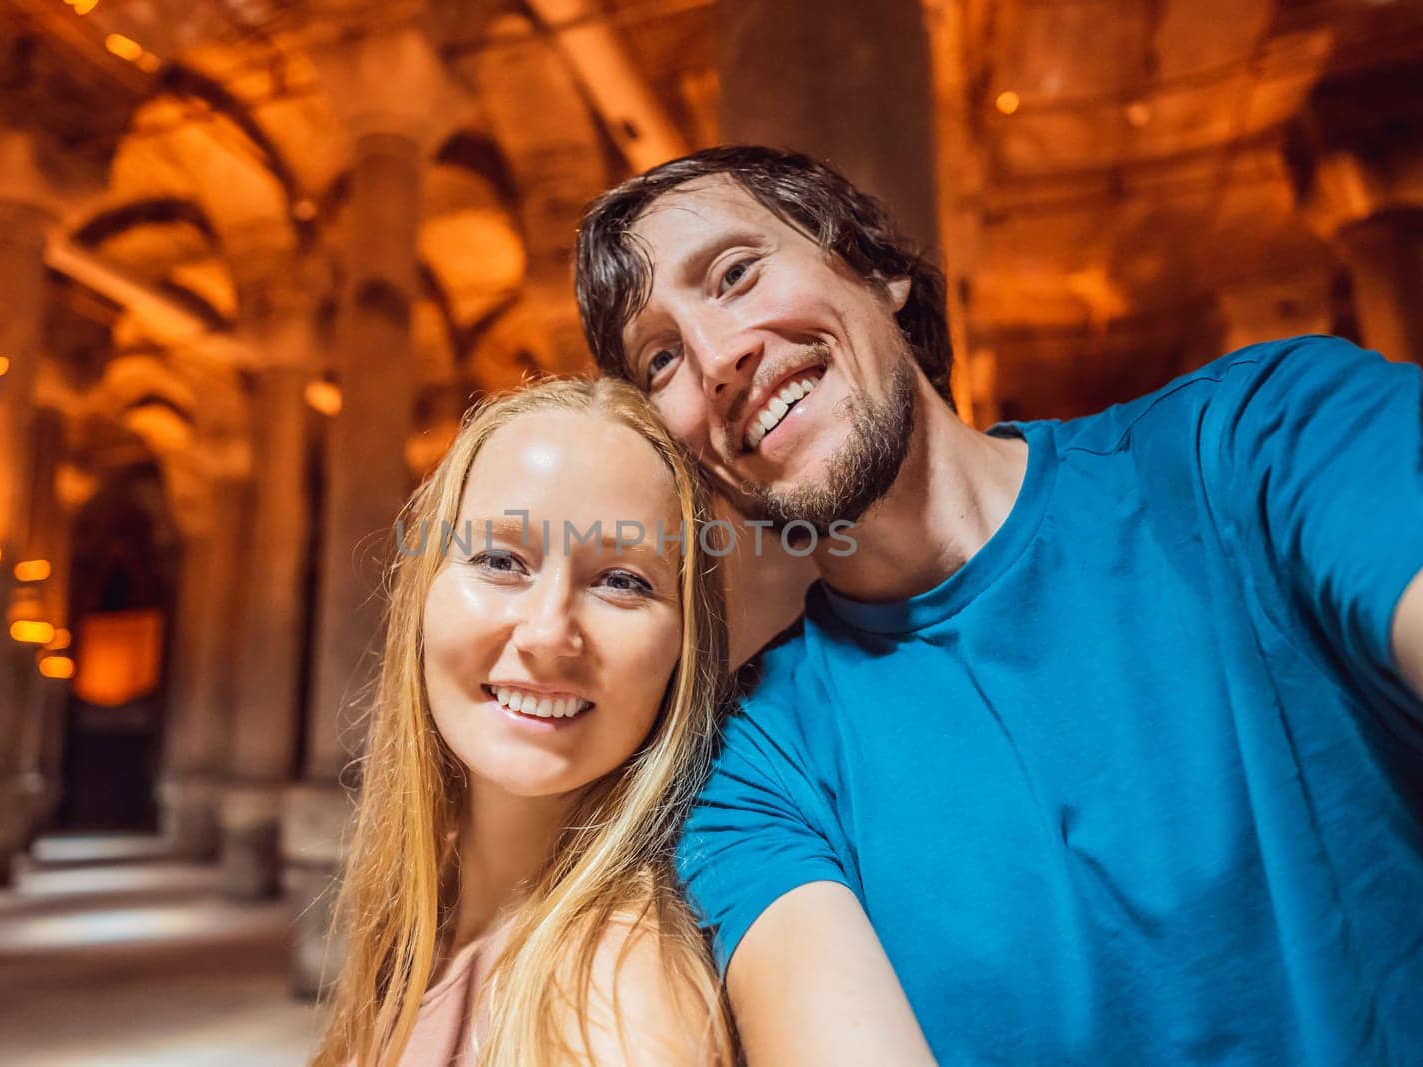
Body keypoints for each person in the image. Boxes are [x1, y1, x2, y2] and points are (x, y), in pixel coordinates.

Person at [574, 145, 1423, 1065]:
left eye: (736, 274)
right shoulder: (751, 768)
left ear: (876, 267)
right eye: (660, 358)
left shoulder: (1263, 441)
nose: (718, 358)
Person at [311, 378, 735, 1067]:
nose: (547, 632)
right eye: (500, 560)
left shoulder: (617, 1008)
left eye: (623, 580)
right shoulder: (425, 913)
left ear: (687, 645)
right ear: (422, 593)